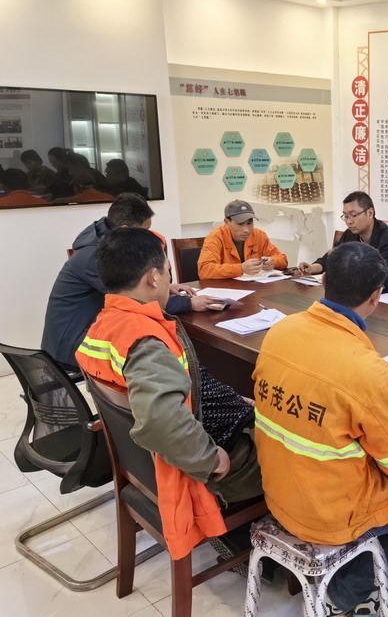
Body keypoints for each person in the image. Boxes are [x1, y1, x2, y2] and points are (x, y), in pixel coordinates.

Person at [253, 242, 388, 616]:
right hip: (331, 513)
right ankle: (342, 594)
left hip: (277, 492)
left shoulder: (279, 331)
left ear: (324, 282)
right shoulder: (369, 372)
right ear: (376, 296)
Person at [76, 227, 262, 560]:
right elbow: (162, 422)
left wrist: (234, 399)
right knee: (296, 449)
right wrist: (209, 458)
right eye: (167, 272)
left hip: (147, 460)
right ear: (153, 277)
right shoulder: (145, 339)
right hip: (195, 471)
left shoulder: (104, 323)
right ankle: (259, 546)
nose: (168, 280)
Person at [42, 193, 217, 370]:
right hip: (74, 347)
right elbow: (136, 301)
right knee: (155, 357)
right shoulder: (97, 256)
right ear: (125, 229)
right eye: (145, 230)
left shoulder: (111, 245)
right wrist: (189, 303)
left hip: (90, 334)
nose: (148, 236)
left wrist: (167, 286)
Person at [294, 191, 388, 285]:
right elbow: (331, 258)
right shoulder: (349, 234)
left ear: (370, 213)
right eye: (346, 216)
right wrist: (312, 268)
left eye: (353, 215)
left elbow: (386, 275)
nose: (349, 221)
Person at [197, 200, 288, 279]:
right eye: (240, 224)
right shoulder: (215, 238)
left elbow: (283, 260)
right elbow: (204, 270)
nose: (246, 230)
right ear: (227, 222)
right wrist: (241, 268)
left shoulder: (259, 235)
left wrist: (272, 262)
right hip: (226, 289)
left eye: (249, 223)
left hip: (255, 287)